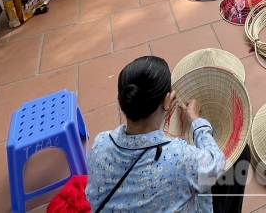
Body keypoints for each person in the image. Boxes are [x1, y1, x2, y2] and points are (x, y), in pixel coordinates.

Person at [85, 56, 248, 213]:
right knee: (241, 154)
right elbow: (216, 162)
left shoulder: (101, 143)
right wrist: (197, 121)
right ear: (166, 100)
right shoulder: (179, 157)